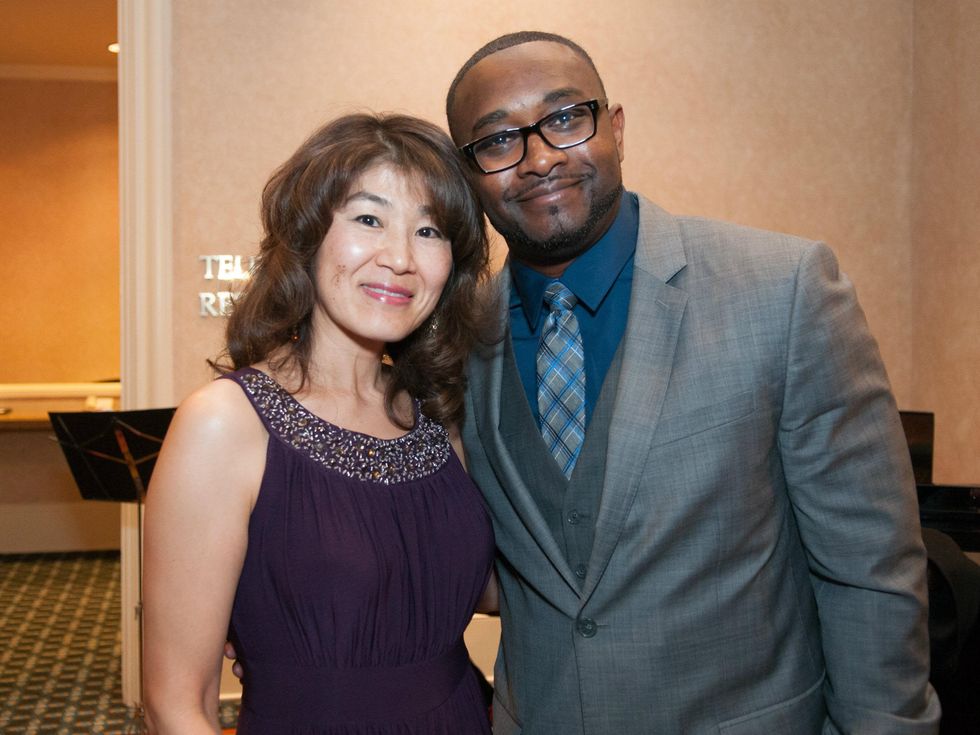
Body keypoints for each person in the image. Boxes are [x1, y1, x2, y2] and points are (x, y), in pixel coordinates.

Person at [446, 31, 941, 734]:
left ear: (615, 127)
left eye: (565, 118)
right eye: (499, 140)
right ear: (469, 176)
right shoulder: (457, 341)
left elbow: (872, 570)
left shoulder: (786, 289)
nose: (541, 158)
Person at [143, 113, 496, 734]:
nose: (400, 258)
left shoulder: (440, 416)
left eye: (429, 230)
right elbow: (177, 705)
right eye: (368, 219)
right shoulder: (225, 423)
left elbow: (484, 590)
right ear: (308, 235)